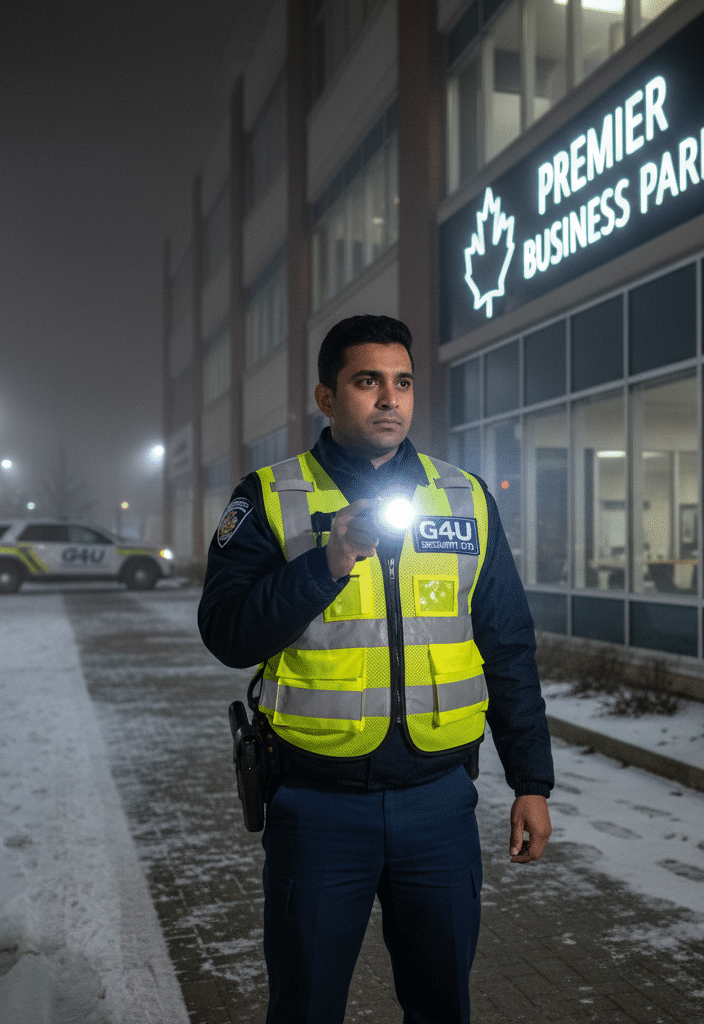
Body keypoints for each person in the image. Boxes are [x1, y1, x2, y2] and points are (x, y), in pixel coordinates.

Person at [198, 314, 554, 1024]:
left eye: (403, 382)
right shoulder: (269, 495)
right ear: (326, 398)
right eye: (367, 381)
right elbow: (229, 632)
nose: (389, 398)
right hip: (317, 805)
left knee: (442, 1004)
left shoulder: (465, 498)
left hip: (440, 805)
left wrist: (531, 782)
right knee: (304, 1006)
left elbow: (508, 644)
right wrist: (328, 562)